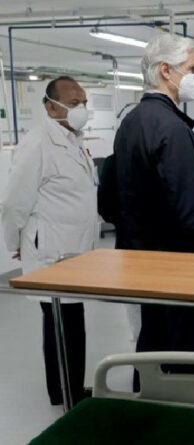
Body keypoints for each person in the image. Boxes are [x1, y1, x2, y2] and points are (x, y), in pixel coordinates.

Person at [112, 33, 194, 391]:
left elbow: (113, 196)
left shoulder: (132, 121)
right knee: (185, 346)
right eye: (192, 69)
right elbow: (192, 211)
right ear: (166, 71)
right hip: (180, 265)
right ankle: (182, 416)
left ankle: (148, 406)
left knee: (152, 337)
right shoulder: (171, 128)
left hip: (144, 260)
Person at [0, 76, 99, 406]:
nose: (80, 109)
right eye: (73, 103)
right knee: (64, 323)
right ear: (49, 105)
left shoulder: (74, 139)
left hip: (74, 251)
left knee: (67, 322)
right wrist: (13, 242)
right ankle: (68, 393)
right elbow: (15, 202)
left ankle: (64, 389)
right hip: (53, 252)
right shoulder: (38, 143)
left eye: (83, 102)